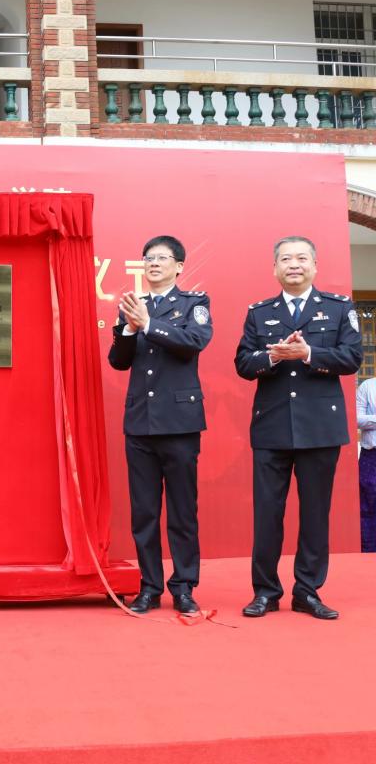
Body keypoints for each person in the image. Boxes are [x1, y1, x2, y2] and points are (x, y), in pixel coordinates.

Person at [235, 236, 362, 620]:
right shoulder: (260, 313)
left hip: (320, 428)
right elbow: (243, 363)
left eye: (302, 258)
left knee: (315, 514)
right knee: (267, 514)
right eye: (286, 259)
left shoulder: (339, 308)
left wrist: (308, 353)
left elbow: (352, 358)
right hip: (271, 427)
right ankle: (265, 592)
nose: (294, 264)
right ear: (275, 268)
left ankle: (307, 591)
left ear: (315, 266)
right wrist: (272, 356)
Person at [108, 235, 212, 615]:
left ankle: (183, 587)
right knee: (145, 513)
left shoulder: (194, 303)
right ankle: (149, 587)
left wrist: (148, 324)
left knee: (182, 512)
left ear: (179, 266)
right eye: (148, 258)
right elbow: (118, 361)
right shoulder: (132, 306)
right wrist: (129, 329)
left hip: (180, 424)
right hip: (140, 423)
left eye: (162, 258)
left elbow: (192, 343)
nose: (153, 263)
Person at [358, 377, 376, 552]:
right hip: (372, 456)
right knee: (368, 507)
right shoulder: (368, 386)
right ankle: (369, 553)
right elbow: (355, 419)